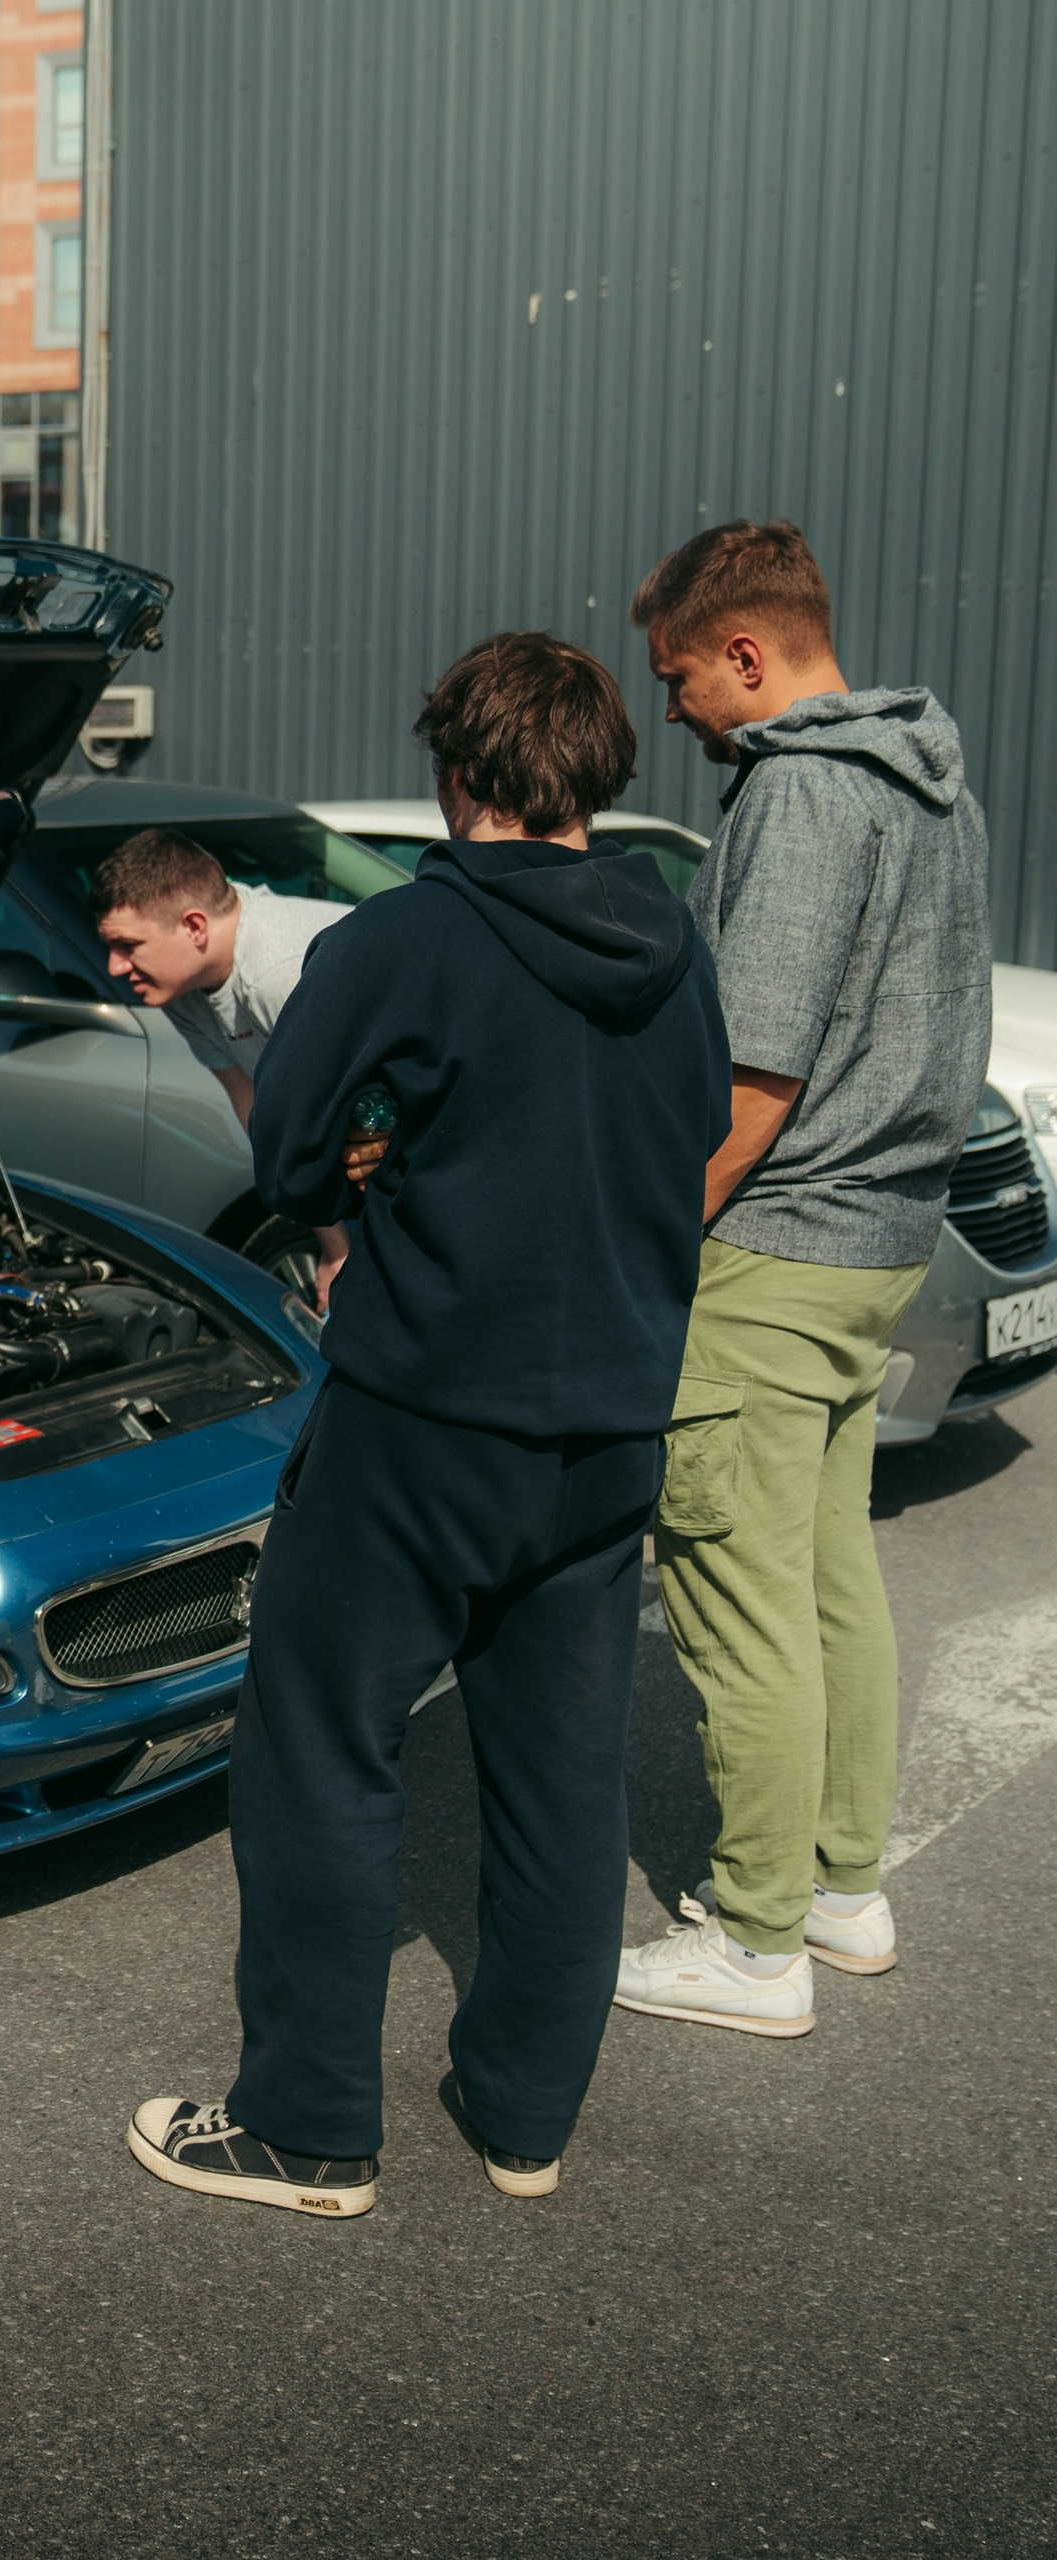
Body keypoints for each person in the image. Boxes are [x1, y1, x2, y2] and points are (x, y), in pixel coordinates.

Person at [125, 634, 729, 2217]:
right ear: (597, 774)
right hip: (612, 1418)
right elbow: (686, 1142)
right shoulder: (676, 936)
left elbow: (299, 1156)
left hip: (423, 1413)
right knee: (560, 1771)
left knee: (321, 1743)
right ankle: (525, 2114)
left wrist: (378, 1158)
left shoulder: (406, 939)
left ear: (455, 773)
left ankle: (309, 2125)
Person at [612, 522, 993, 2035]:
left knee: (736, 1593)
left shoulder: (801, 791)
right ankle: (841, 1893)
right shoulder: (927, 779)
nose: (677, 710)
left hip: (772, 1247)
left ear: (748, 656)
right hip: (881, 1244)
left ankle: (755, 1943)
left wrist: (649, 1235)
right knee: (834, 1579)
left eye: (682, 676)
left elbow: (751, 1076)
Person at [90, 831, 352, 1303]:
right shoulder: (182, 989)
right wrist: (336, 1249)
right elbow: (265, 1117)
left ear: (194, 926)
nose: (113, 967)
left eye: (127, 945)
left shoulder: (281, 975)